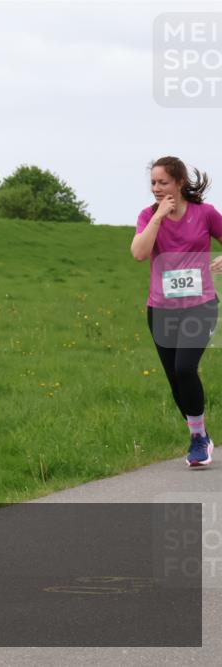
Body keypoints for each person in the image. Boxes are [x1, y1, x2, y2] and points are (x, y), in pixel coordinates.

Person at [131, 156, 222, 467]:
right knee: (175, 379)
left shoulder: (205, 213)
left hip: (200, 305)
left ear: (180, 182)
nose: (156, 188)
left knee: (185, 368)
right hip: (161, 310)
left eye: (163, 182)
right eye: (153, 183)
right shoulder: (148, 216)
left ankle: (198, 440)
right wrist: (158, 217)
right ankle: (200, 434)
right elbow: (139, 253)